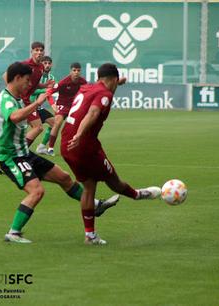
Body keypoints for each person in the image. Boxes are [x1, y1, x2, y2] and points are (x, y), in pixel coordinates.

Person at [0, 62, 120, 244]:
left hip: (23, 152)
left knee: (64, 177)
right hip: (9, 157)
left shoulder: (15, 95)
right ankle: (14, 232)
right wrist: (37, 102)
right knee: (36, 191)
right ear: (17, 79)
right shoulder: (7, 100)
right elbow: (15, 117)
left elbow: (9, 78)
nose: (30, 84)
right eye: (27, 80)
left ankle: (96, 205)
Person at [60, 63, 161, 246]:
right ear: (113, 79)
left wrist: (116, 84)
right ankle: (138, 194)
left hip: (66, 144)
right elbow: (93, 113)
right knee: (114, 182)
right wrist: (80, 134)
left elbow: (98, 100)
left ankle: (90, 236)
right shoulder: (104, 94)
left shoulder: (87, 87)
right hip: (84, 145)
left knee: (89, 186)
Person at [4, 42, 55, 147]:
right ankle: (20, 151)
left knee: (34, 128)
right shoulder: (25, 64)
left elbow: (32, 85)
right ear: (31, 52)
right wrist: (13, 93)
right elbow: (5, 75)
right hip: (20, 100)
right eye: (36, 50)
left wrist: (44, 85)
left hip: (27, 101)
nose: (39, 52)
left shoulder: (41, 67)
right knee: (37, 127)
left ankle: (19, 150)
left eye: (41, 50)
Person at [46, 62, 87, 156]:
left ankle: (76, 147)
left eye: (78, 70)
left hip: (75, 107)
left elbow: (87, 94)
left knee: (80, 125)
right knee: (58, 122)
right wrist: (52, 104)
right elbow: (49, 92)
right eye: (74, 70)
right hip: (63, 105)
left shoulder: (83, 82)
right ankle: (50, 148)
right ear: (70, 71)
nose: (76, 72)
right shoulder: (63, 82)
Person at [29, 56, 57, 155]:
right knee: (35, 128)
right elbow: (31, 91)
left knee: (55, 124)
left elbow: (49, 93)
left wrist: (53, 104)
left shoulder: (52, 78)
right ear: (41, 64)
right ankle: (19, 149)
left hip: (38, 107)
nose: (47, 65)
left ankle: (41, 147)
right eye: (45, 63)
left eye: (49, 63)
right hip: (28, 106)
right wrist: (44, 90)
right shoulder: (36, 75)